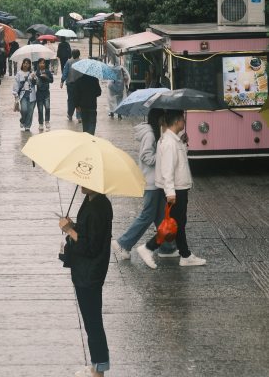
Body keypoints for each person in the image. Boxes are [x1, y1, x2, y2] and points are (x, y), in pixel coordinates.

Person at [137, 108, 207, 269]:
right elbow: (167, 169)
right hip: (175, 189)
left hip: (179, 187)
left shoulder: (172, 140)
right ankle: (148, 247)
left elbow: (179, 162)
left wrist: (183, 143)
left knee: (179, 223)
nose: (184, 122)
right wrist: (170, 192)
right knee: (174, 223)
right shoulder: (168, 142)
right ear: (176, 121)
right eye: (183, 120)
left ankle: (185, 254)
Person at [59, 187, 113, 376]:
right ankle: (97, 365)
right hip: (85, 271)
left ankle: (99, 369)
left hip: (90, 273)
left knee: (93, 322)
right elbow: (87, 232)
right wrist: (73, 226)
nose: (80, 183)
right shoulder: (91, 200)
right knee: (91, 320)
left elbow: (90, 247)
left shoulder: (99, 207)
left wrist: (69, 231)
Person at [111, 108, 176, 260]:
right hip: (151, 182)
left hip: (157, 181)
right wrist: (162, 155)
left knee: (160, 215)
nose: (165, 122)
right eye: (164, 119)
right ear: (158, 119)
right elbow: (146, 157)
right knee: (147, 215)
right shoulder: (149, 134)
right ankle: (123, 243)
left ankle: (167, 247)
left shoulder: (155, 132)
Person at [13, 58, 37, 132]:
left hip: (32, 95)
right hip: (23, 95)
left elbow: (35, 83)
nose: (26, 65)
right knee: (24, 110)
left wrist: (33, 78)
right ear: (22, 64)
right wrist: (15, 94)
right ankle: (22, 120)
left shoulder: (32, 73)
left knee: (30, 111)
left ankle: (27, 126)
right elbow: (16, 84)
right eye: (24, 63)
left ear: (30, 65)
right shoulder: (19, 74)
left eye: (27, 63)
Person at [61, 48, 82, 122]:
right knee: (79, 99)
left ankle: (70, 114)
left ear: (72, 54)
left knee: (71, 100)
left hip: (71, 84)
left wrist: (62, 81)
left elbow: (65, 72)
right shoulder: (82, 62)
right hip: (80, 85)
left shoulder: (69, 62)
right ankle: (79, 116)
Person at [35, 57, 53, 131]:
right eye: (40, 63)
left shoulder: (48, 72)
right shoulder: (36, 72)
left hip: (46, 93)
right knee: (40, 109)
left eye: (43, 63)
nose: (42, 64)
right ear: (38, 64)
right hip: (39, 93)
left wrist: (46, 77)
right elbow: (33, 83)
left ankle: (47, 121)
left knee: (47, 107)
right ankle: (40, 123)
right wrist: (33, 78)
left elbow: (51, 80)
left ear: (45, 64)